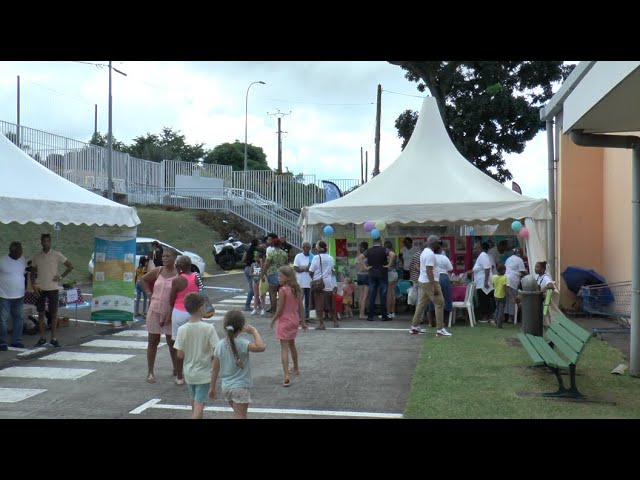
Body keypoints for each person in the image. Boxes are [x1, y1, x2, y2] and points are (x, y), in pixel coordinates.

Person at [210, 310, 266, 419]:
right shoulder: (242, 343)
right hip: (240, 387)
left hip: (226, 387)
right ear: (241, 328)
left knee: (238, 414)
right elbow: (261, 347)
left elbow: (215, 369)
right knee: (240, 416)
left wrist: (212, 387)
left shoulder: (219, 345)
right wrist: (254, 332)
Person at [173, 292, 220, 419]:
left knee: (194, 402)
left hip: (189, 372)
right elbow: (217, 351)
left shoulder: (182, 329)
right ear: (201, 308)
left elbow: (179, 354)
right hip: (204, 373)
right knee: (199, 404)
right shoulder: (208, 328)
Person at [138, 248, 179, 384]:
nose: (165, 258)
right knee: (153, 341)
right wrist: (149, 294)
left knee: (172, 342)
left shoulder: (179, 273)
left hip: (171, 311)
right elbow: (142, 280)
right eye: (164, 256)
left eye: (168, 256)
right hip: (155, 309)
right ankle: (150, 371)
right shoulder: (159, 270)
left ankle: (176, 368)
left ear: (174, 258)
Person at [30, 233, 74, 348]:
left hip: (53, 288)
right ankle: (42, 338)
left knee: (54, 314)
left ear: (50, 242)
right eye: (43, 241)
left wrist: (60, 277)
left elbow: (70, 266)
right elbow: (33, 272)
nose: (45, 243)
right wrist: (33, 285)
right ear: (41, 242)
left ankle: (53, 338)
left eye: (47, 241)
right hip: (40, 288)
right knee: (40, 313)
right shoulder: (36, 256)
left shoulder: (56, 255)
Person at [271, 265, 308, 387]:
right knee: (292, 344)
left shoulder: (283, 291)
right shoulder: (296, 289)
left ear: (287, 277)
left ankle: (286, 374)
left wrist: (273, 319)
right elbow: (301, 308)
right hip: (294, 320)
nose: (279, 278)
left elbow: (280, 309)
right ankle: (296, 367)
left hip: (284, 321)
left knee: (284, 348)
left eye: (281, 276)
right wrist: (303, 322)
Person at [409, 235, 451, 337]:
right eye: (438, 243)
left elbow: (425, 269)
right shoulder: (430, 255)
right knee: (439, 303)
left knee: (422, 304)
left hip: (423, 281)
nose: (439, 245)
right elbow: (429, 271)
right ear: (434, 243)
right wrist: (435, 286)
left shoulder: (424, 252)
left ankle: (414, 327)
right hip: (429, 282)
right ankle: (440, 329)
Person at [169, 255, 201, 385]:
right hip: (194, 313)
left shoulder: (177, 280)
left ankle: (179, 375)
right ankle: (193, 371)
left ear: (181, 267)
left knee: (178, 345)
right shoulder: (196, 277)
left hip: (179, 312)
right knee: (194, 344)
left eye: (177, 265)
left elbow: (171, 299)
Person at [0, 241, 27, 350]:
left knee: (19, 318)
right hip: (4, 295)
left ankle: (17, 340)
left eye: (21, 251)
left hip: (19, 295)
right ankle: (2, 341)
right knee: (3, 319)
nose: (20, 253)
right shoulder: (2, 261)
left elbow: (23, 274)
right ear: (12, 251)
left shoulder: (23, 260)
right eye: (18, 251)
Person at [308, 240, 337, 329]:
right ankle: (335, 322)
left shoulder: (316, 258)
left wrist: (314, 278)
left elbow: (311, 271)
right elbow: (332, 270)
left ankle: (321, 324)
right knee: (331, 303)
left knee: (319, 304)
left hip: (319, 283)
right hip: (329, 283)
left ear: (318, 248)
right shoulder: (331, 258)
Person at [364, 235, 391, 321]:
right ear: (380, 241)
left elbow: (360, 258)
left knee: (372, 294)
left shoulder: (369, 250)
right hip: (382, 273)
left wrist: (365, 267)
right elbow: (393, 255)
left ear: (373, 242)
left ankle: (370, 316)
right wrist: (388, 265)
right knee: (383, 295)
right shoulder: (384, 250)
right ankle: (384, 315)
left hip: (372, 273)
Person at [261, 237, 288, 316]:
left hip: (272, 274)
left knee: (273, 294)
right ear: (279, 244)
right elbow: (286, 264)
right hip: (282, 274)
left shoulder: (271, 253)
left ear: (273, 244)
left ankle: (274, 312)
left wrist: (262, 274)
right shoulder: (284, 253)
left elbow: (266, 265)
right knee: (282, 293)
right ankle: (282, 311)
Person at [467, 242, 493, 322]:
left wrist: (486, 281)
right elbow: (479, 268)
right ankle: (485, 316)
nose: (474, 250)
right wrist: (471, 271)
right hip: (480, 283)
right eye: (473, 248)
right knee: (483, 299)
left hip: (483, 282)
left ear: (480, 248)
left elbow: (487, 268)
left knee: (484, 300)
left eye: (475, 248)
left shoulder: (482, 256)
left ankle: (485, 317)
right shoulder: (480, 257)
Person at [293, 242, 313, 320]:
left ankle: (307, 316)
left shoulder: (312, 257)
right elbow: (296, 268)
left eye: (307, 247)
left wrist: (309, 270)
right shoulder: (298, 256)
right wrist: (305, 269)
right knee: (300, 299)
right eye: (304, 247)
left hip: (309, 281)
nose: (305, 249)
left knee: (308, 300)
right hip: (300, 281)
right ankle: (298, 316)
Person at [242, 238, 260, 312]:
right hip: (253, 269)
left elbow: (243, 259)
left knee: (253, 286)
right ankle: (247, 305)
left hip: (246, 268)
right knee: (253, 288)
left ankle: (259, 303)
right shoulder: (255, 252)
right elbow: (257, 259)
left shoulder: (248, 251)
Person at [384, 240, 399, 319]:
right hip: (395, 273)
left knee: (388, 294)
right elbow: (398, 265)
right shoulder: (395, 255)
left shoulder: (387, 255)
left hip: (389, 274)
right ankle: (393, 312)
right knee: (393, 293)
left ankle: (388, 312)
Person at [355, 242, 369, 319]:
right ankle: (362, 314)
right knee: (365, 296)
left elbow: (357, 268)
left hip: (359, 275)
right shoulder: (367, 257)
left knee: (361, 295)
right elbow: (366, 267)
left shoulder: (357, 257)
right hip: (366, 275)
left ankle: (361, 312)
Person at [492, 263, 508, 328]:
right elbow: (505, 287)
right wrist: (508, 293)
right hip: (502, 296)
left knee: (497, 308)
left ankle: (495, 319)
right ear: (503, 270)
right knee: (501, 310)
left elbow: (493, 285)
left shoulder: (494, 277)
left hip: (496, 295)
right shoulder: (504, 278)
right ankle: (499, 323)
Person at [249, 251, 264, 315]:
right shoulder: (253, 264)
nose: (256, 259)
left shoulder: (263, 264)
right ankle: (255, 308)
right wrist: (256, 275)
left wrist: (262, 263)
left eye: (257, 258)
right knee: (256, 295)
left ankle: (263, 309)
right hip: (255, 280)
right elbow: (250, 273)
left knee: (262, 295)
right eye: (255, 258)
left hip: (262, 281)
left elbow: (264, 271)